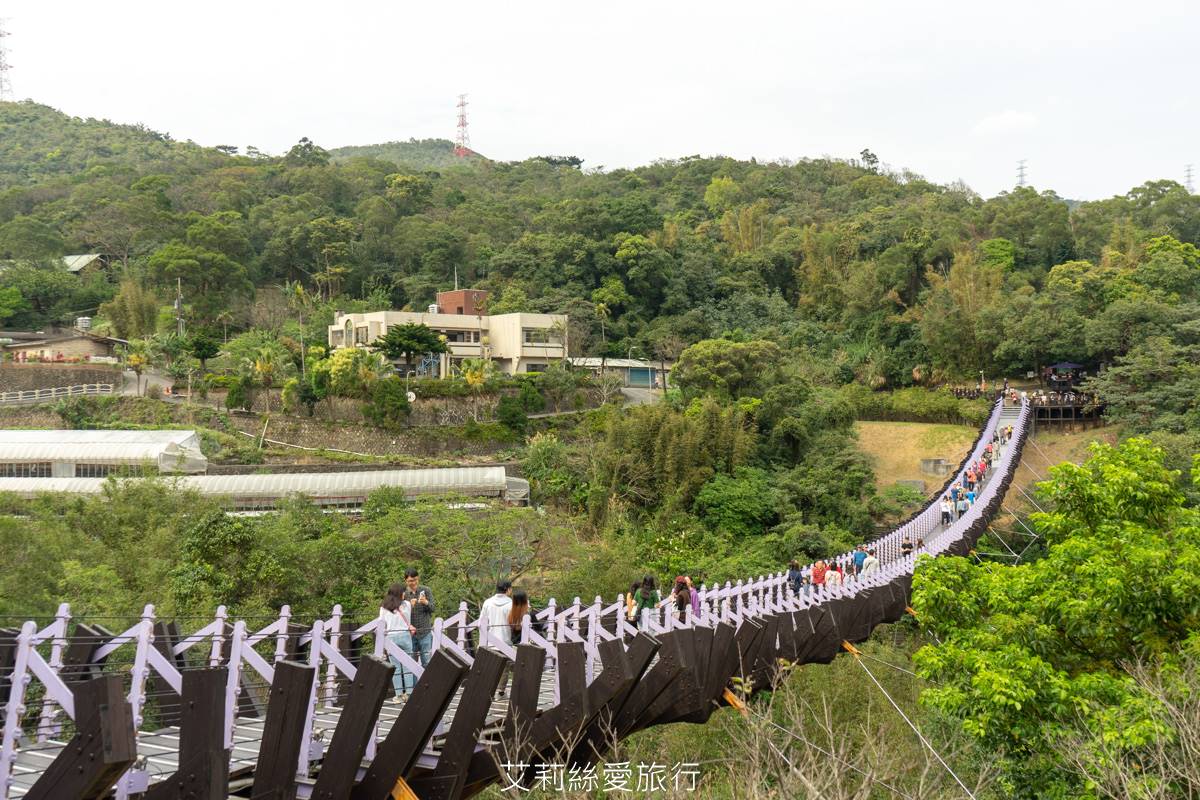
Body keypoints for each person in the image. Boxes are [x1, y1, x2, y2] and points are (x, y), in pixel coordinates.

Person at [379, 583, 416, 701]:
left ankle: (399, 695)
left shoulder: (384, 607)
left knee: (396, 668)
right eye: (403, 592)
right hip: (405, 636)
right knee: (407, 665)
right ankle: (409, 693)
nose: (404, 593)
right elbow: (408, 619)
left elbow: (381, 623)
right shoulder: (407, 604)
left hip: (391, 638)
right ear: (400, 593)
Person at [402, 568, 435, 667]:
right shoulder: (403, 594)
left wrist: (426, 602)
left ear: (418, 578)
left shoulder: (426, 590)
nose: (413, 583)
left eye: (415, 580)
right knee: (411, 664)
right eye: (410, 581)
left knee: (427, 662)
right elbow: (400, 614)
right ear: (406, 581)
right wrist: (409, 606)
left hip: (425, 631)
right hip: (410, 634)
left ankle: (428, 678)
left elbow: (433, 608)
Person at [479, 579, 514, 648]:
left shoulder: (487, 602)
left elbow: (480, 623)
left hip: (490, 644)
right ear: (508, 589)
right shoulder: (512, 604)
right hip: (506, 645)